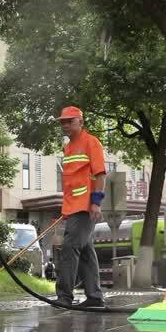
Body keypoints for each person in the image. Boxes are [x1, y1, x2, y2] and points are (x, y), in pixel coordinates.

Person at [56, 106, 106, 308]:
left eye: (70, 121)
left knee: (70, 248)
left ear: (80, 121)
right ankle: (94, 296)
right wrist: (66, 209)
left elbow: (100, 174)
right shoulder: (67, 147)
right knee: (85, 250)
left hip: (85, 206)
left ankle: (64, 297)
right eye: (62, 122)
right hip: (73, 207)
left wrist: (96, 202)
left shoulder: (91, 142)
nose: (65, 125)